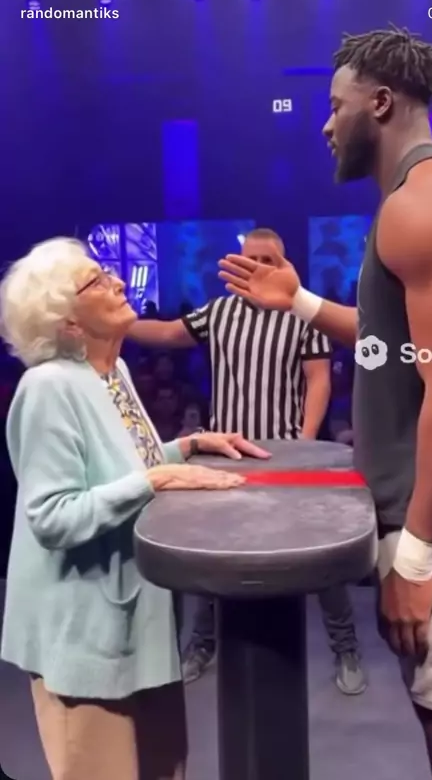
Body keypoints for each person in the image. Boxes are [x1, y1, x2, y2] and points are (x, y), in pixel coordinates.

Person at [218, 26, 432, 780]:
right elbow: (393, 344)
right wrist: (299, 300)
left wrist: (416, 555)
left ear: (381, 103)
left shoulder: (427, 201)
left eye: (336, 106)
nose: (325, 125)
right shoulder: (417, 199)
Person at [0, 238, 270, 780]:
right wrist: (157, 478)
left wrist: (186, 446)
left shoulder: (112, 371)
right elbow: (53, 516)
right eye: (97, 281)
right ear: (68, 321)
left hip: (135, 628)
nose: (119, 282)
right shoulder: (48, 387)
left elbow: (121, 467)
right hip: (84, 639)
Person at [128, 227, 366, 696]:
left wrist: (304, 444)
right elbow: (169, 332)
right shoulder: (220, 311)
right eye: (249, 258)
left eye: (267, 259)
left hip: (287, 454)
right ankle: (202, 644)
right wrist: (117, 325)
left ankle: (346, 648)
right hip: (228, 453)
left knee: (321, 556)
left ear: (284, 263)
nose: (256, 266)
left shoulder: (302, 313)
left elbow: (318, 380)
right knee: (211, 552)